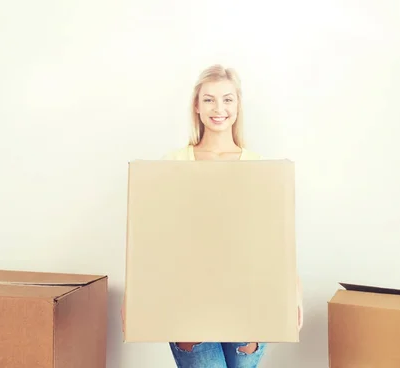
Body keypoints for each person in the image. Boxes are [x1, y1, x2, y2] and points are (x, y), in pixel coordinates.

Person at [122, 64, 304, 368]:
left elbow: (275, 239)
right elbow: (151, 236)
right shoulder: (172, 163)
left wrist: (294, 293)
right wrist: (133, 296)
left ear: (238, 105)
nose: (218, 108)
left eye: (227, 99)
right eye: (209, 99)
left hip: (249, 297)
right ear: (196, 105)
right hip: (188, 301)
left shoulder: (260, 166)